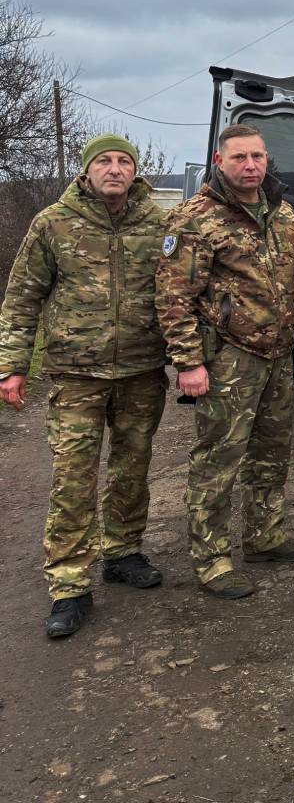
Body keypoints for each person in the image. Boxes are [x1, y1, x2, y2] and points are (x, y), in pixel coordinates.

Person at [0, 134, 168, 638]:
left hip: (141, 370)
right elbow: (22, 299)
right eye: (104, 161)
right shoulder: (53, 223)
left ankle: (122, 551)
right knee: (73, 476)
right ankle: (70, 584)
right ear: (86, 170)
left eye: (124, 161)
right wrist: (12, 366)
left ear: (135, 171)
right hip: (77, 374)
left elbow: (181, 292)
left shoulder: (157, 224)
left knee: (132, 467)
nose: (114, 169)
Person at [156, 124, 294, 599]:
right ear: (219, 159)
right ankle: (212, 559)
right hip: (228, 359)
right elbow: (172, 299)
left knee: (272, 452)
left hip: (277, 357)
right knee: (218, 460)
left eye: (258, 156)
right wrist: (188, 363)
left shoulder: (283, 214)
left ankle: (264, 536)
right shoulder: (195, 218)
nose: (251, 165)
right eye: (240, 157)